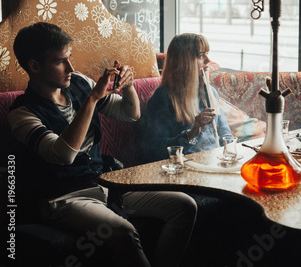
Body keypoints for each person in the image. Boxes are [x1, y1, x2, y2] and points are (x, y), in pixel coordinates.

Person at [8, 22, 197, 267]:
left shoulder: (77, 82)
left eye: (70, 58)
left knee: (184, 205)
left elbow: (130, 114)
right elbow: (63, 154)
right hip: (64, 199)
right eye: (60, 61)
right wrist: (93, 98)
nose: (71, 68)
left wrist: (128, 87)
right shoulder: (22, 113)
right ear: (34, 66)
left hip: (105, 183)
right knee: (122, 231)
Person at [137, 33, 233, 163]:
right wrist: (192, 133)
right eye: (200, 55)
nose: (208, 60)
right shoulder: (163, 97)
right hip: (185, 167)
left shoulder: (210, 93)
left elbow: (226, 136)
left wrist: (231, 153)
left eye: (207, 54)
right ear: (183, 62)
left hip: (213, 163)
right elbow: (155, 149)